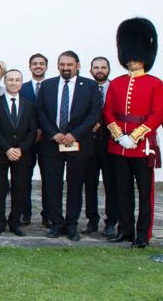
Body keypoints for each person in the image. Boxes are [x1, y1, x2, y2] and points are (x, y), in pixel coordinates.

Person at [104, 18, 163, 249]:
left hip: (142, 146)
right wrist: (119, 135)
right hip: (118, 145)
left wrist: (135, 136)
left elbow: (157, 115)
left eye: (136, 56)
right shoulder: (117, 83)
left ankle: (143, 234)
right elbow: (108, 111)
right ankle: (125, 229)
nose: (132, 60)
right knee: (122, 191)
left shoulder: (154, 83)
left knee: (145, 194)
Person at [36, 51, 102, 241]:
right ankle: (56, 223)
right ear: (58, 66)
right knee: (52, 185)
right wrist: (54, 133)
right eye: (62, 64)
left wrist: (74, 134)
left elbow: (94, 114)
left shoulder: (90, 86)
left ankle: (71, 225)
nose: (65, 68)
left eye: (69, 64)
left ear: (78, 65)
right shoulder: (48, 85)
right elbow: (40, 112)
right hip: (52, 144)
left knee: (75, 185)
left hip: (78, 144)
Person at [0, 69, 37, 236]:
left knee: (20, 188)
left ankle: (15, 222)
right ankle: (0, 222)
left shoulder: (29, 104)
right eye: (10, 80)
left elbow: (32, 130)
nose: (14, 83)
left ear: (21, 83)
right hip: (1, 152)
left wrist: (20, 148)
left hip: (22, 154)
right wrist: (7, 148)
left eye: (17, 80)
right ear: (5, 81)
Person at [86, 56, 117, 237]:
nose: (100, 70)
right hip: (90, 142)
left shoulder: (116, 88)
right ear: (90, 70)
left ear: (108, 69)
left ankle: (111, 221)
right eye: (96, 67)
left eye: (103, 67)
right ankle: (92, 220)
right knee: (89, 183)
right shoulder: (87, 88)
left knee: (111, 183)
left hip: (111, 142)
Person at [19, 52, 48, 225]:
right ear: (30, 66)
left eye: (41, 63)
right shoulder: (22, 88)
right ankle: (25, 212)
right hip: (27, 141)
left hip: (48, 140)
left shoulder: (53, 86)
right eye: (35, 63)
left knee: (49, 179)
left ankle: (48, 214)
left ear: (46, 66)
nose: (38, 66)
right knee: (24, 178)